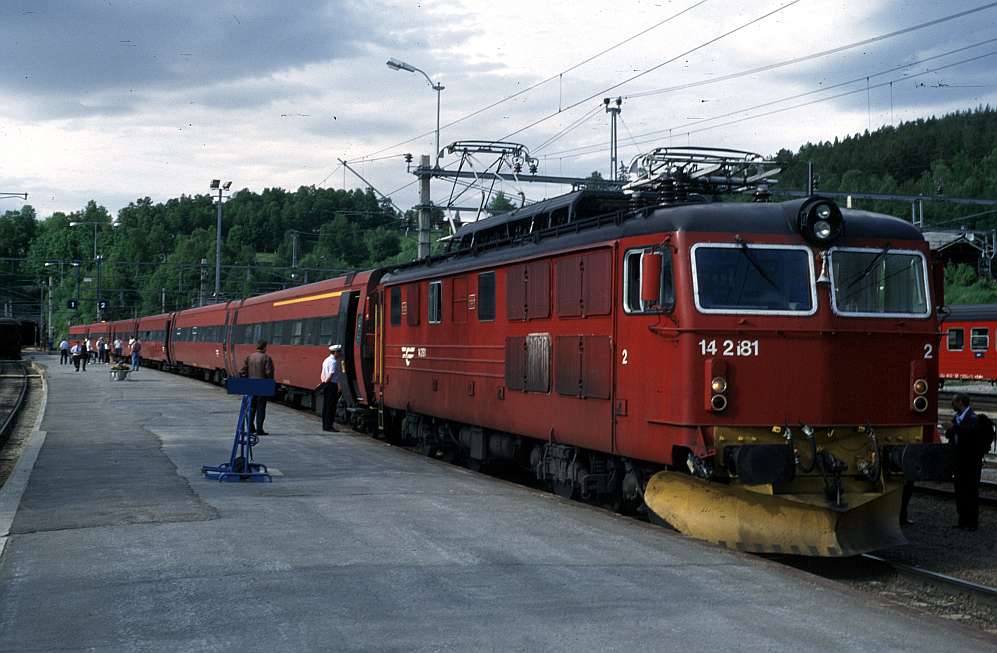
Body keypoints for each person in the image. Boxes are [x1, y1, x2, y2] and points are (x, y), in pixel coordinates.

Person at [945, 393, 983, 531]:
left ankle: (972, 523)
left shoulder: (973, 418)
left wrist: (953, 428)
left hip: (971, 462)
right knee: (960, 492)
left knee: (971, 493)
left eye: (953, 402)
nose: (952, 404)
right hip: (959, 462)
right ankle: (962, 521)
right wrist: (950, 429)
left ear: (960, 402)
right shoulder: (958, 417)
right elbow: (951, 435)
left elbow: (970, 434)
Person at [240, 340, 275, 435]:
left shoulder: (249, 357)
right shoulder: (266, 358)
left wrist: (246, 380)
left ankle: (250, 428)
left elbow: (242, 371)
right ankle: (259, 429)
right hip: (262, 385)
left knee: (251, 407)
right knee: (261, 408)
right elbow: (269, 373)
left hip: (251, 385)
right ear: (264, 347)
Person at [320, 344, 344, 432]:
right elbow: (331, 375)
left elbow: (322, 373)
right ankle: (329, 426)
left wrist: (323, 383)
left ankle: (325, 425)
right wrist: (327, 382)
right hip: (331, 385)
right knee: (331, 407)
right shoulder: (334, 362)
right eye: (339, 352)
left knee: (326, 406)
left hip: (325, 384)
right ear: (335, 352)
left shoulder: (326, 360)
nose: (340, 354)